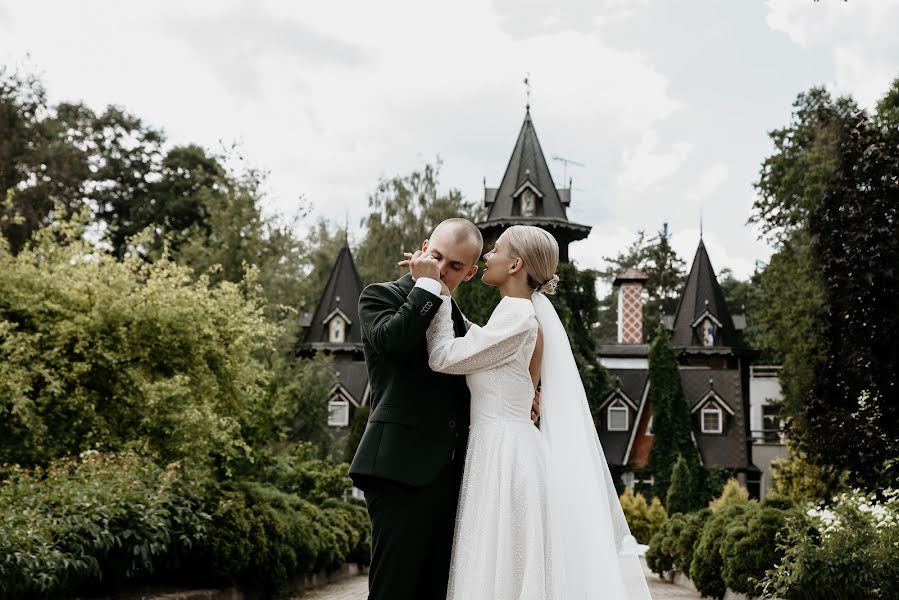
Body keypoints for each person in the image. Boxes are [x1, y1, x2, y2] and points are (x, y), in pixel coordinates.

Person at [426, 225, 652, 600]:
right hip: (502, 446)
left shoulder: (517, 317)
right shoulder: (514, 315)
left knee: (501, 568)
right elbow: (509, 376)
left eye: (496, 250)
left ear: (515, 264)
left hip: (505, 456)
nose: (487, 256)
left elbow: (443, 356)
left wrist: (438, 291)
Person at [349, 218, 540, 600]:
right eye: (436, 257)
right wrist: (426, 286)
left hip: (455, 478)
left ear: (470, 273)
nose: (441, 270)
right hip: (399, 470)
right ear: (422, 249)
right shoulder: (379, 296)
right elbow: (396, 343)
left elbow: (484, 380)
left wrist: (527, 393)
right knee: (394, 589)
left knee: (439, 590)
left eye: (454, 267)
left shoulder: (464, 325)